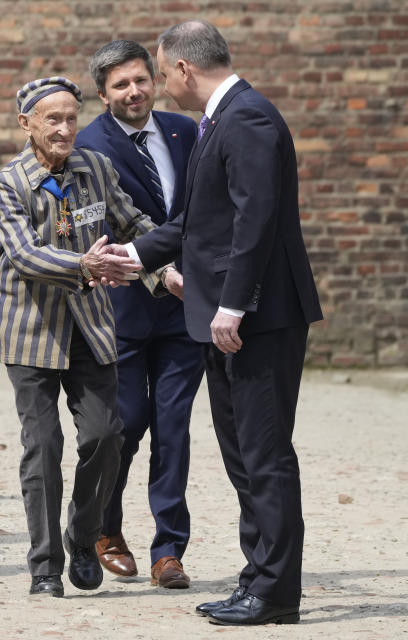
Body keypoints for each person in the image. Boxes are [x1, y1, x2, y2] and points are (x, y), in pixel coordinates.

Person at [115, 20, 323, 625]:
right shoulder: (218, 122)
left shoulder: (248, 118)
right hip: (223, 318)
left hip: (256, 319)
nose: (158, 87)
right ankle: (256, 578)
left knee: (265, 456)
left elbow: (254, 220)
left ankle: (276, 593)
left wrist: (234, 304)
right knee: (242, 457)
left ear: (182, 68)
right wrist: (129, 258)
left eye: (159, 73)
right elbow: (190, 225)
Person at [0, 77, 167, 598]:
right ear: (26, 125)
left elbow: (133, 224)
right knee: (42, 446)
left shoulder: (96, 167)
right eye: (53, 120)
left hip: (89, 325)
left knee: (106, 436)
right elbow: (23, 254)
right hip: (29, 328)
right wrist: (85, 264)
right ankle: (45, 566)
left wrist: (163, 271)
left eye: (72, 117)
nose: (66, 129)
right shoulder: (8, 183)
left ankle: (83, 539)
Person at [74, 40, 204, 589]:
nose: (134, 92)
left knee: (173, 427)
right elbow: (103, 227)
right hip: (121, 308)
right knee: (124, 427)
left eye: (140, 80)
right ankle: (106, 529)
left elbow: (201, 211)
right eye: (120, 85)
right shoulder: (90, 146)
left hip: (183, 308)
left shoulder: (187, 131)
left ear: (154, 79)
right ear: (103, 95)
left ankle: (168, 550)